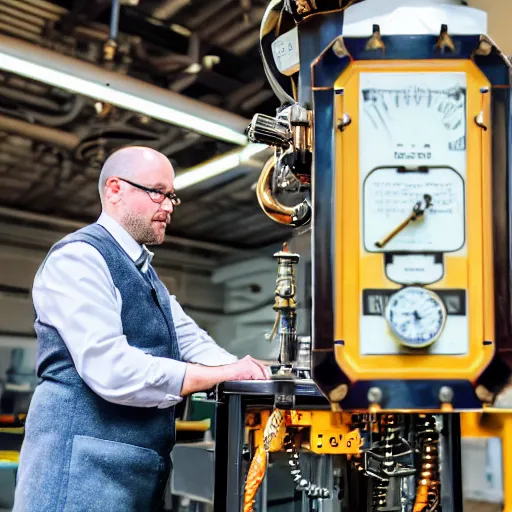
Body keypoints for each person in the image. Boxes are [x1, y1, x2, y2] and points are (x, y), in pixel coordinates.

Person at [13, 146, 270, 512]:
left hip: (130, 476)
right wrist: (221, 374)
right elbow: (112, 369)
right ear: (115, 189)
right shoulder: (79, 258)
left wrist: (252, 374)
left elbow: (190, 340)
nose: (167, 206)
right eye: (157, 192)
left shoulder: (145, 275)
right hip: (76, 477)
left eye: (172, 197)